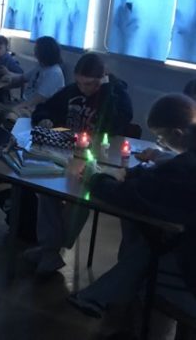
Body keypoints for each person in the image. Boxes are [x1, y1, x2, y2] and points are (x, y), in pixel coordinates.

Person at [69, 94, 196, 338]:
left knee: (149, 255)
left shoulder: (186, 169)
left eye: (161, 138)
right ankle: (99, 298)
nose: (161, 143)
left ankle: (125, 318)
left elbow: (132, 196)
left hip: (190, 275)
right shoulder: (187, 161)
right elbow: (158, 184)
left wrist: (95, 178)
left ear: (178, 134)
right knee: (149, 244)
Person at [24, 53, 133, 274]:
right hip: (66, 155)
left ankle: (49, 250)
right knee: (46, 190)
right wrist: (44, 118)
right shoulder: (72, 91)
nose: (83, 89)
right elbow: (46, 107)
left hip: (99, 160)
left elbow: (117, 122)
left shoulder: (115, 94)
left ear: (102, 78)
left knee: (80, 197)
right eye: (80, 82)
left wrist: (107, 89)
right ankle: (49, 250)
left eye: (90, 84)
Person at [0, 36, 65, 128]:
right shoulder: (41, 67)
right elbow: (22, 77)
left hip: (34, 109)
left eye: (36, 49)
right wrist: (8, 75)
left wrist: (15, 108)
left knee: (10, 116)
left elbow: (36, 100)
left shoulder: (54, 73)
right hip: (24, 102)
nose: (34, 52)